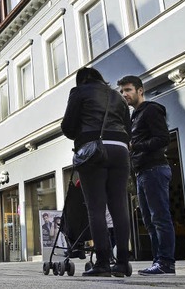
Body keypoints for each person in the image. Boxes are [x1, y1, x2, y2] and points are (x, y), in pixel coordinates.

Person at [61, 67, 132, 277]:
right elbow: (127, 127)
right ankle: (122, 263)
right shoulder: (118, 97)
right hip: (120, 149)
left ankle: (102, 263)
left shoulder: (79, 92)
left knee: (96, 208)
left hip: (93, 150)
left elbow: (68, 127)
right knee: (119, 207)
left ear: (81, 80)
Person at [118, 75, 175, 276]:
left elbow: (163, 139)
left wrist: (135, 146)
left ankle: (166, 263)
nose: (124, 94)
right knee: (150, 221)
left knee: (160, 218)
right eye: (122, 91)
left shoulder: (151, 110)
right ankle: (158, 262)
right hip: (142, 172)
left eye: (128, 90)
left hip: (155, 169)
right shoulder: (134, 116)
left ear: (140, 90)